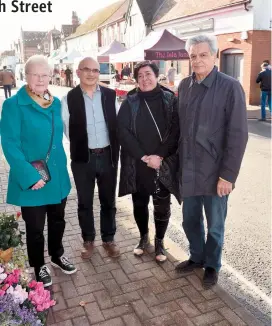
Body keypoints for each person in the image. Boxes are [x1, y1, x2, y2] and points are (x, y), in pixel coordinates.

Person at [176, 35, 248, 288]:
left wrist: (228, 175)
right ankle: (197, 256)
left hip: (216, 173)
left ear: (215, 56)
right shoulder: (185, 85)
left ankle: (212, 265)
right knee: (189, 220)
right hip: (189, 171)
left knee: (215, 226)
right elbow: (179, 129)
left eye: (203, 55)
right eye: (193, 55)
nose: (197, 60)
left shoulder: (230, 87)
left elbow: (238, 135)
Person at [0, 55, 77, 287]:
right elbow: (10, 144)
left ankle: (56, 255)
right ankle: (38, 265)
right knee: (34, 228)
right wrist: (31, 177)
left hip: (56, 177)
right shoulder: (13, 105)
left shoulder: (54, 103)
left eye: (45, 74)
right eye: (36, 74)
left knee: (57, 221)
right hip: (33, 178)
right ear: (26, 76)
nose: (42, 79)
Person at [117, 61, 180, 263]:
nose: (144, 79)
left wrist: (159, 156)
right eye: (140, 76)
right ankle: (143, 237)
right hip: (138, 162)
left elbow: (175, 131)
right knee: (140, 202)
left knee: (162, 204)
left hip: (163, 162)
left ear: (156, 75)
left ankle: (159, 241)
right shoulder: (130, 101)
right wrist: (144, 156)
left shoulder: (170, 99)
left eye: (148, 74)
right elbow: (123, 131)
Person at [61, 57, 120, 259]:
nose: (91, 73)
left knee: (108, 201)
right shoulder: (68, 98)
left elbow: (118, 125)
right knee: (84, 202)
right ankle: (88, 240)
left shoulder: (111, 95)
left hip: (107, 156)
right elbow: (68, 130)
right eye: (86, 69)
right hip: (82, 159)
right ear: (78, 72)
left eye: (95, 70)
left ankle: (109, 238)